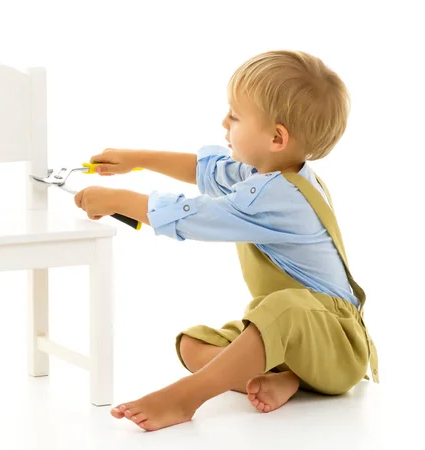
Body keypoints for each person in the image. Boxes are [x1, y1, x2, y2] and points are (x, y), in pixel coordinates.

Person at [74, 50, 378, 432]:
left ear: (276, 137)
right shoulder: (267, 172)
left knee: (284, 307)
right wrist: (134, 159)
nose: (224, 122)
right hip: (296, 345)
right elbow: (208, 171)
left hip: (336, 347)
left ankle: (186, 397)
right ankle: (289, 378)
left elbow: (195, 216)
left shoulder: (280, 197)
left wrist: (118, 201)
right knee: (192, 344)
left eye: (234, 116)